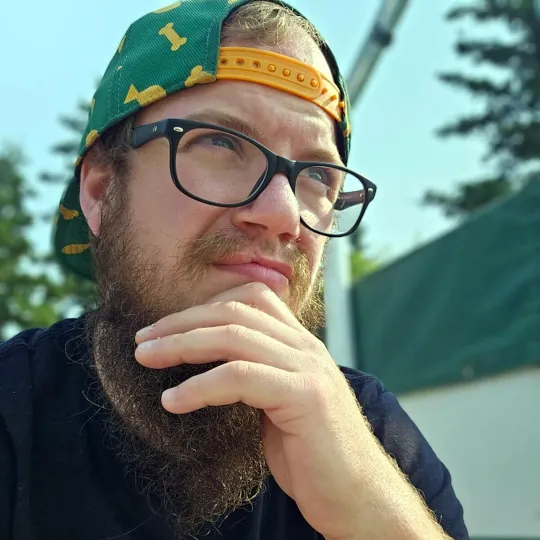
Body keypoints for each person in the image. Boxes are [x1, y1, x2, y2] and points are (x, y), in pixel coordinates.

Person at [0, 1, 469, 539]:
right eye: (220, 142)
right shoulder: (14, 416)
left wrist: (372, 515)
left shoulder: (372, 438)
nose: (283, 215)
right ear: (102, 192)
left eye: (318, 175)